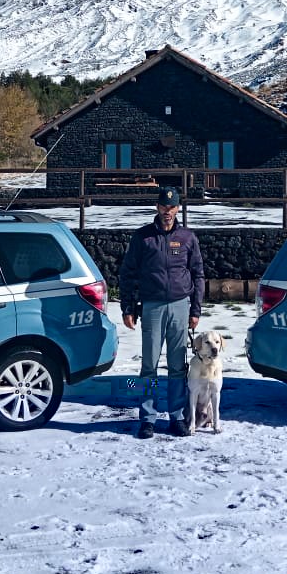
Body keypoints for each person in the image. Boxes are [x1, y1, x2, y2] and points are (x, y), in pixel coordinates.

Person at [119, 186, 205, 438]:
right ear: (157, 207)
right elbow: (128, 274)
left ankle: (177, 417)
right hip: (152, 307)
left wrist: (195, 309)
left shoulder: (188, 237)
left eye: (172, 207)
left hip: (180, 306)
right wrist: (128, 307)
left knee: (178, 366)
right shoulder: (142, 237)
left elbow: (198, 274)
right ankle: (147, 418)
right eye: (163, 206)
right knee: (149, 366)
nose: (168, 211)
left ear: (178, 208)